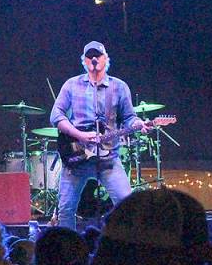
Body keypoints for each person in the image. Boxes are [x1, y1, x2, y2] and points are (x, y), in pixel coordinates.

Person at [50, 41, 148, 232]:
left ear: (106, 59)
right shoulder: (71, 85)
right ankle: (67, 245)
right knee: (66, 209)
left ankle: (124, 242)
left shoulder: (119, 87)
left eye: (98, 55)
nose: (94, 59)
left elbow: (129, 117)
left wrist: (138, 124)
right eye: (90, 56)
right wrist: (79, 135)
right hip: (77, 157)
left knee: (127, 205)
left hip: (108, 158)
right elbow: (56, 115)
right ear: (84, 61)